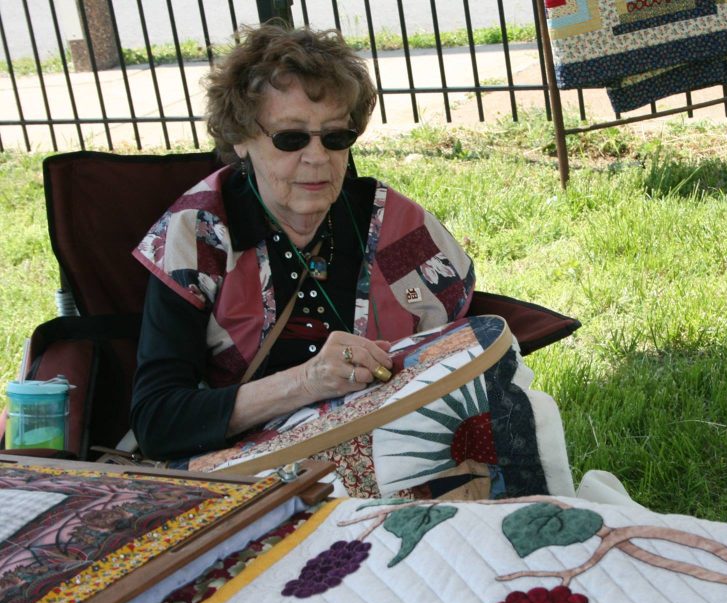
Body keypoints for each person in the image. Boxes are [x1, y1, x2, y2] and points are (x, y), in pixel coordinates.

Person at [130, 24, 474, 461]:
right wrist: (307, 381)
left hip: (395, 446)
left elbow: (452, 349)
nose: (317, 158)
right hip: (255, 468)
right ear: (240, 139)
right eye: (290, 138)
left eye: (335, 137)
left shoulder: (393, 225)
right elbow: (157, 421)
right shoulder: (199, 236)